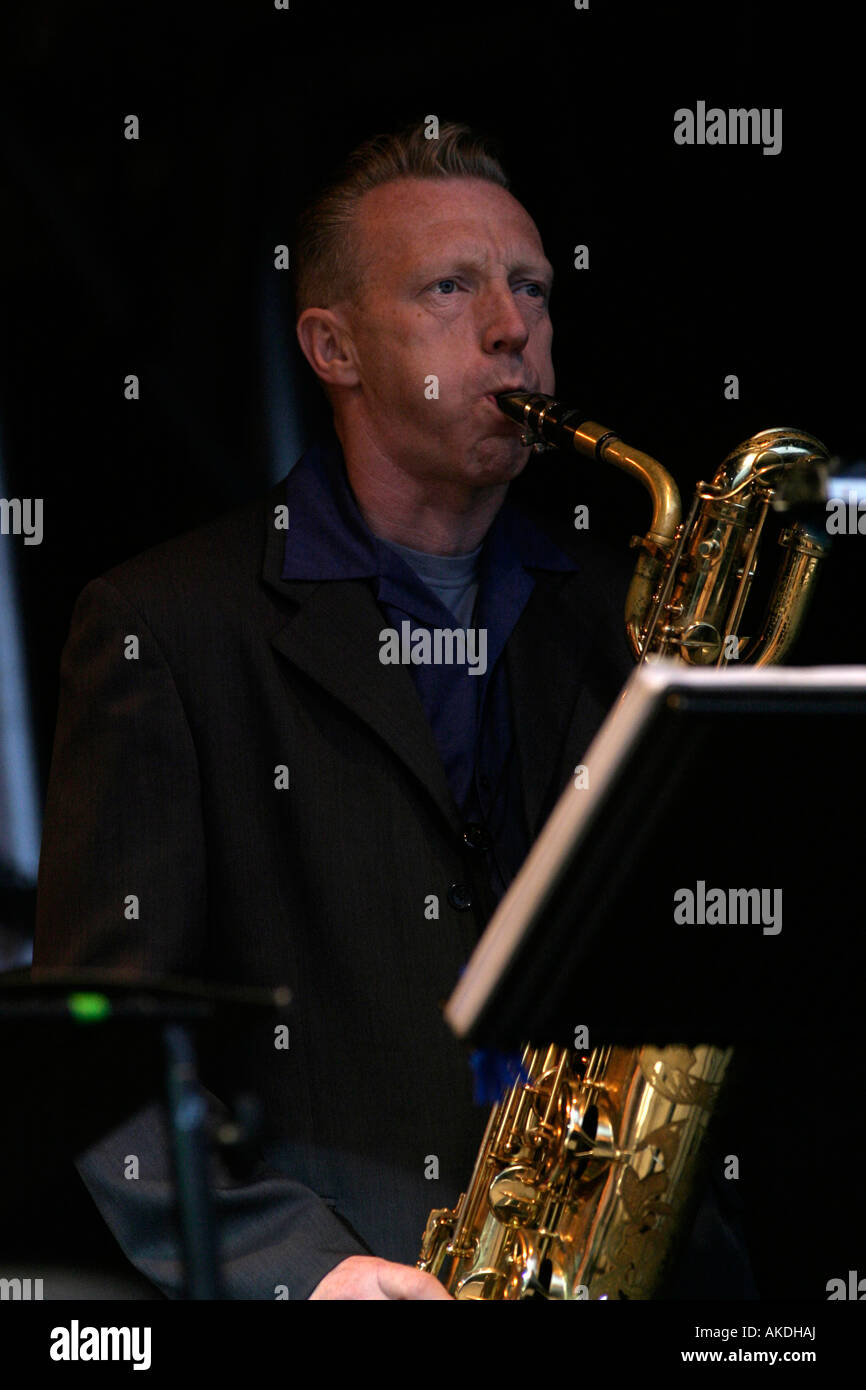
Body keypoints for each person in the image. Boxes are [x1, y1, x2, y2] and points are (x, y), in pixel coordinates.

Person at [32, 121, 752, 1300]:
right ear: (333, 346)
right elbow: (104, 1059)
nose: (510, 328)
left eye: (529, 287)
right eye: (449, 287)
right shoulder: (162, 627)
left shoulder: (628, 619)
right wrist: (302, 1275)